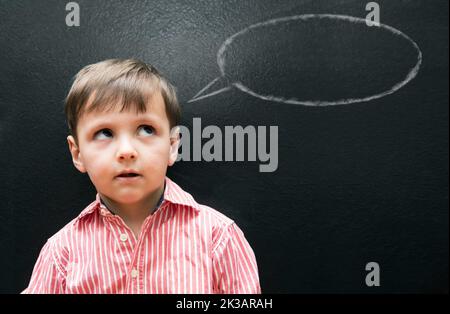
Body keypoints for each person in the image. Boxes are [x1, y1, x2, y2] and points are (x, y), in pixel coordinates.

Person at [22, 59, 261, 294]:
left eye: (146, 129)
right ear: (78, 153)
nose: (126, 151)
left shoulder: (217, 237)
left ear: (172, 145)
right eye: (104, 133)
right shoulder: (61, 253)